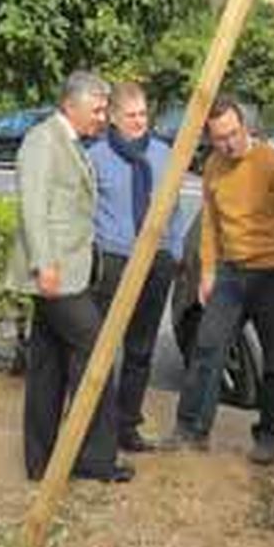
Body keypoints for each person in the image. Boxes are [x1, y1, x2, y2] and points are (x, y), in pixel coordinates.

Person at [2, 71, 132, 484]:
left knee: (48, 366)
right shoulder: (44, 140)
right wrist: (45, 264)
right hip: (55, 274)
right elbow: (33, 207)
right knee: (96, 353)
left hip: (68, 273)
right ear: (70, 105)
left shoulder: (71, 142)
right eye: (96, 110)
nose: (102, 118)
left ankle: (41, 464)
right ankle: (94, 459)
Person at [163, 98, 274, 465]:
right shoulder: (213, 167)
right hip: (231, 273)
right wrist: (207, 270)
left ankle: (269, 435)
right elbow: (209, 222)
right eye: (220, 138)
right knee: (207, 348)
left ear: (246, 128)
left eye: (234, 134)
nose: (228, 144)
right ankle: (191, 428)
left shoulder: (273, 163)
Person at [85, 83, 190, 453]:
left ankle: (127, 426)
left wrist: (174, 249)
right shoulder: (95, 157)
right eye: (130, 115)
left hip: (156, 260)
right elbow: (85, 211)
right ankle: (95, 427)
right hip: (114, 260)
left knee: (141, 349)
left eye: (143, 114)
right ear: (113, 118)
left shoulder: (164, 155)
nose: (138, 122)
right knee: (102, 347)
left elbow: (175, 206)